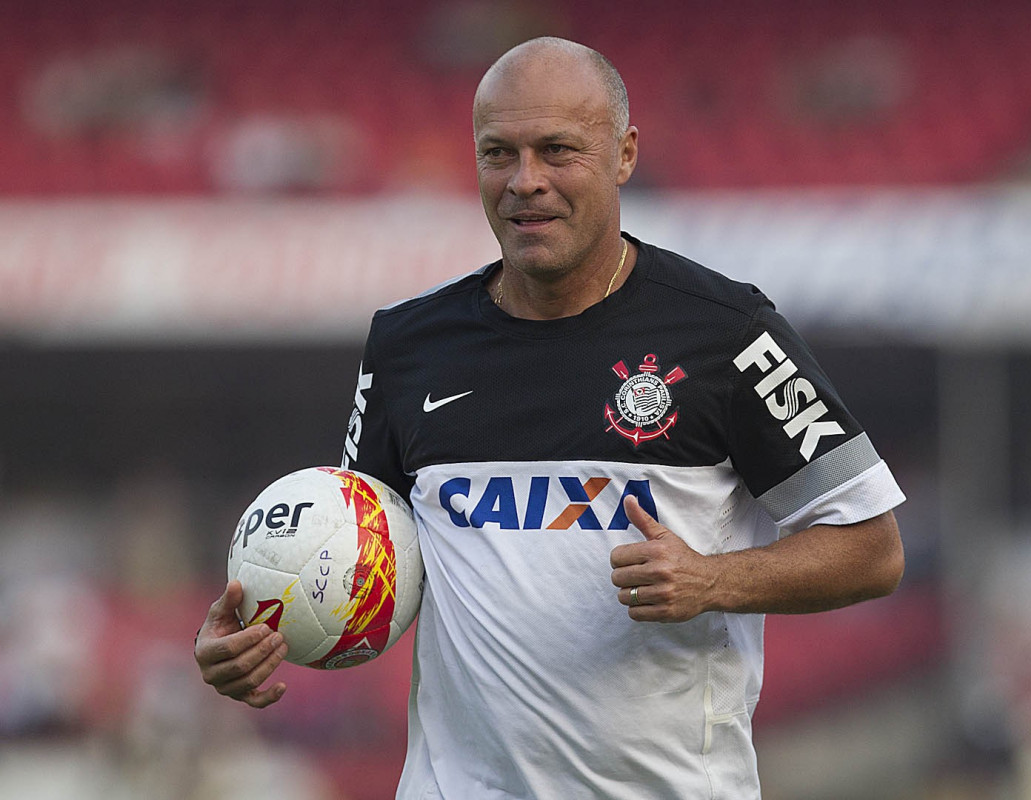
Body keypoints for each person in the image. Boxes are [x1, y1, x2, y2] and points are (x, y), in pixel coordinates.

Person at [195, 36, 906, 799]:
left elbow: (873, 549)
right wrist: (264, 635)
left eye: (557, 150)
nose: (524, 182)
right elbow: (370, 566)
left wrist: (712, 580)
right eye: (499, 153)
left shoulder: (727, 332)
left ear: (624, 153)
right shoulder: (407, 345)